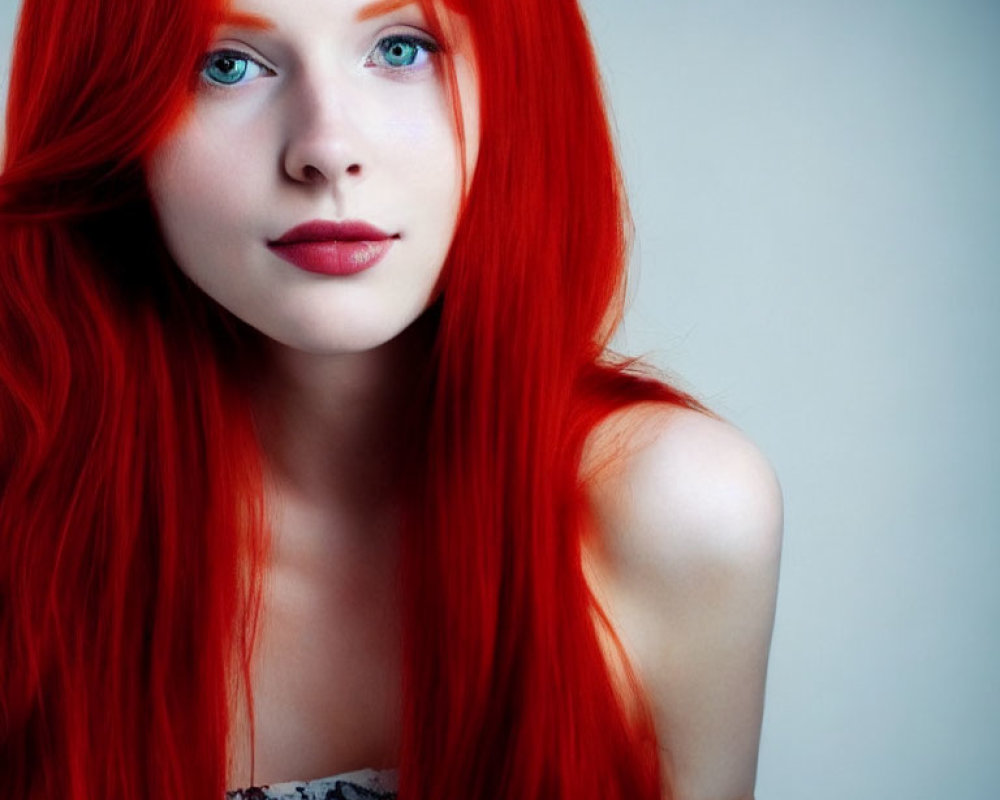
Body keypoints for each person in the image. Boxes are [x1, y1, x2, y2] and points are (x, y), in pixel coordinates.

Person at [0, 0, 783, 798]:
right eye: (224, 65)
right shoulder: (23, 516)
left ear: (522, 87)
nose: (327, 149)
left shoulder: (673, 511)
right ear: (101, 115)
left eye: (403, 48)